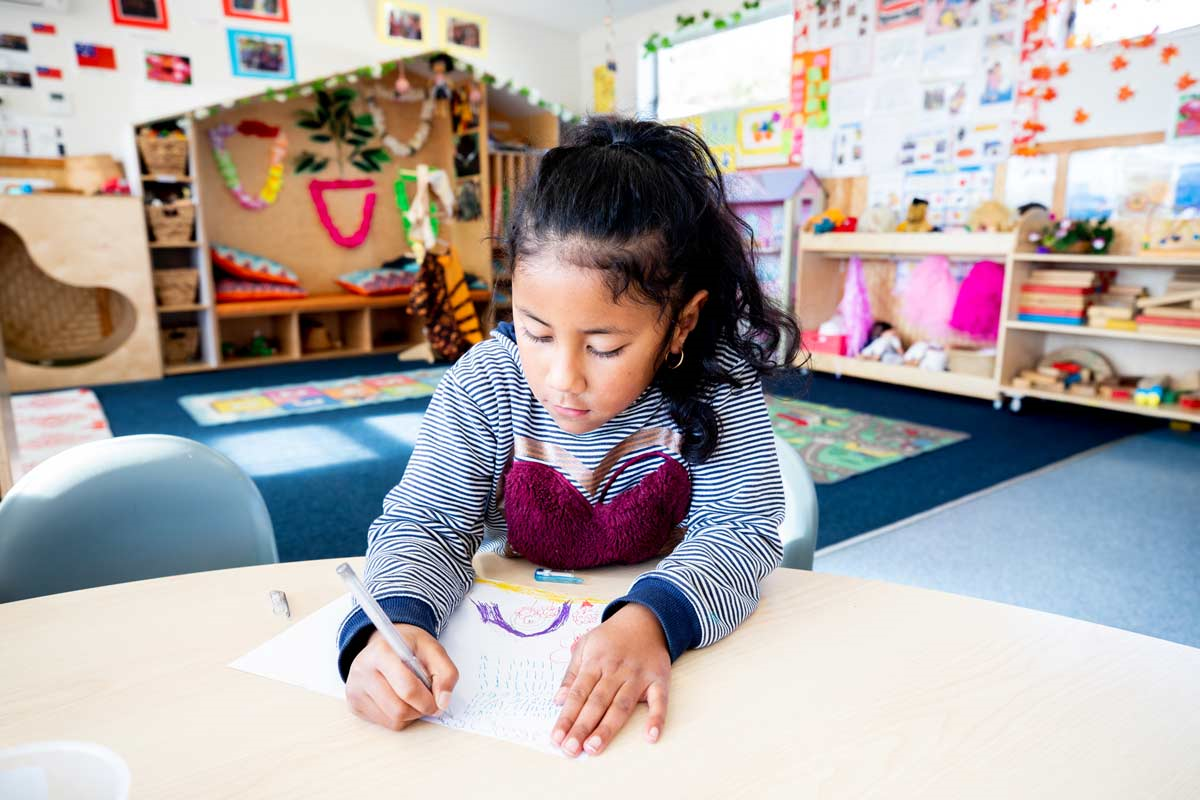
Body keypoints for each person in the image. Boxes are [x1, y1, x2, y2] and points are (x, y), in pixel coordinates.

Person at [336, 116, 801, 757]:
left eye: (605, 346)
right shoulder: (487, 383)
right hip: (515, 625)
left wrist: (653, 619)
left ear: (682, 322)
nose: (562, 379)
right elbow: (427, 521)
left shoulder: (716, 386)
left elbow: (742, 528)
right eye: (536, 331)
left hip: (665, 621)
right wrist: (389, 627)